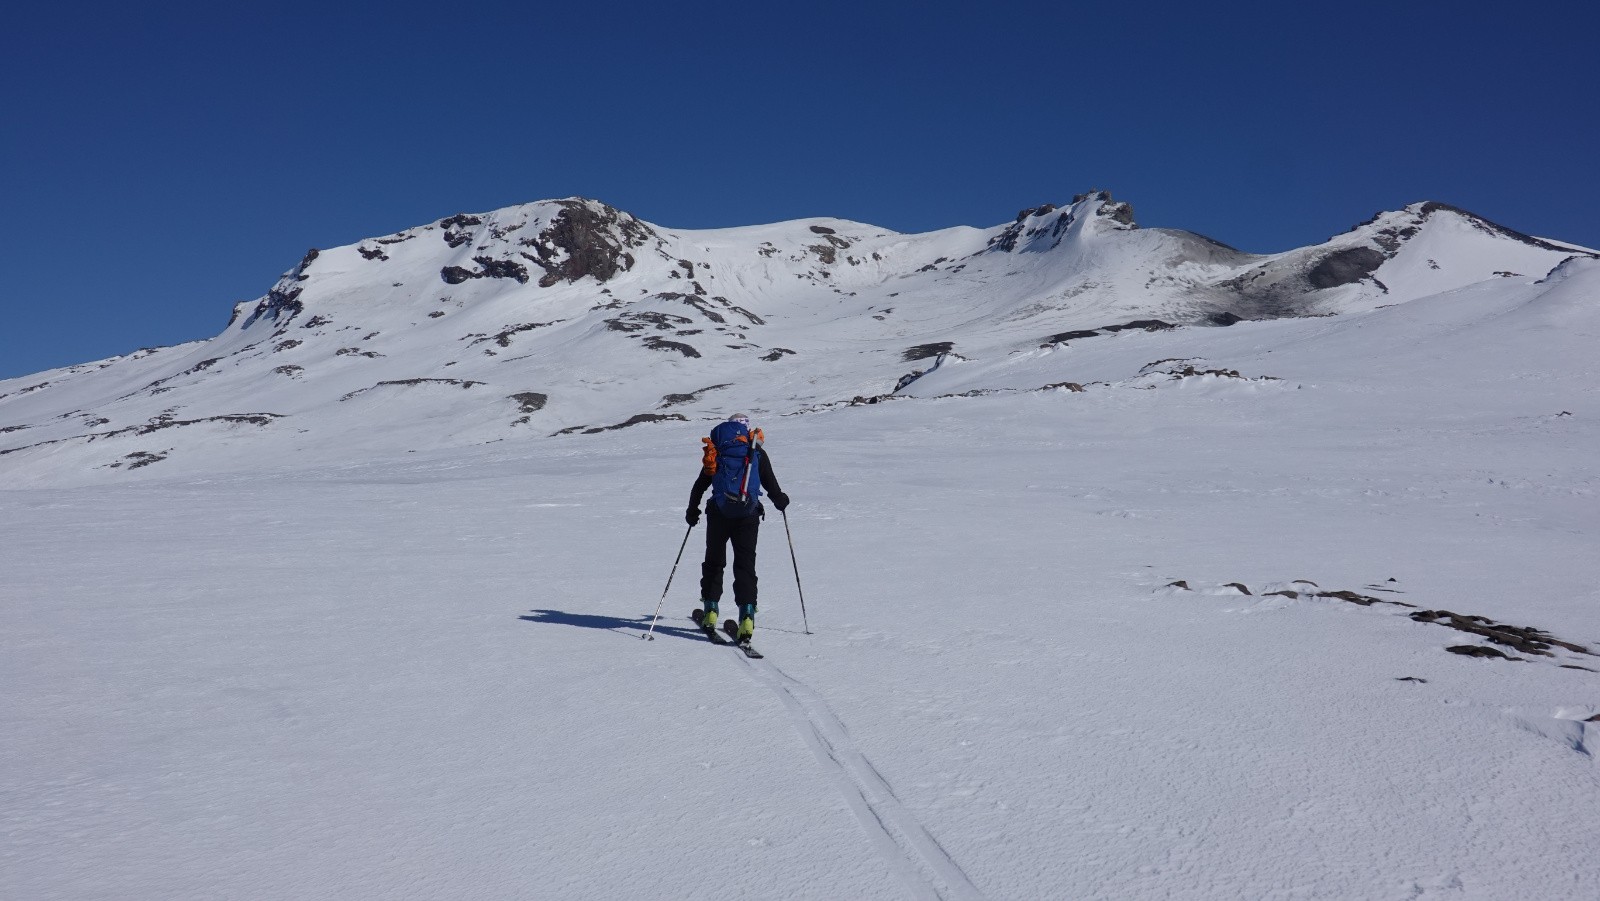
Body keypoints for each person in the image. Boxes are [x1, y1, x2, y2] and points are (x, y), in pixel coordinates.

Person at [686, 414, 789, 644]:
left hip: (718, 515)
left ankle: (711, 611)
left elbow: (699, 486)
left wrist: (692, 512)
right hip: (748, 516)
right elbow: (772, 486)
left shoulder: (718, 454)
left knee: (714, 561)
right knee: (745, 565)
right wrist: (781, 500)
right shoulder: (756, 454)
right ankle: (747, 618)